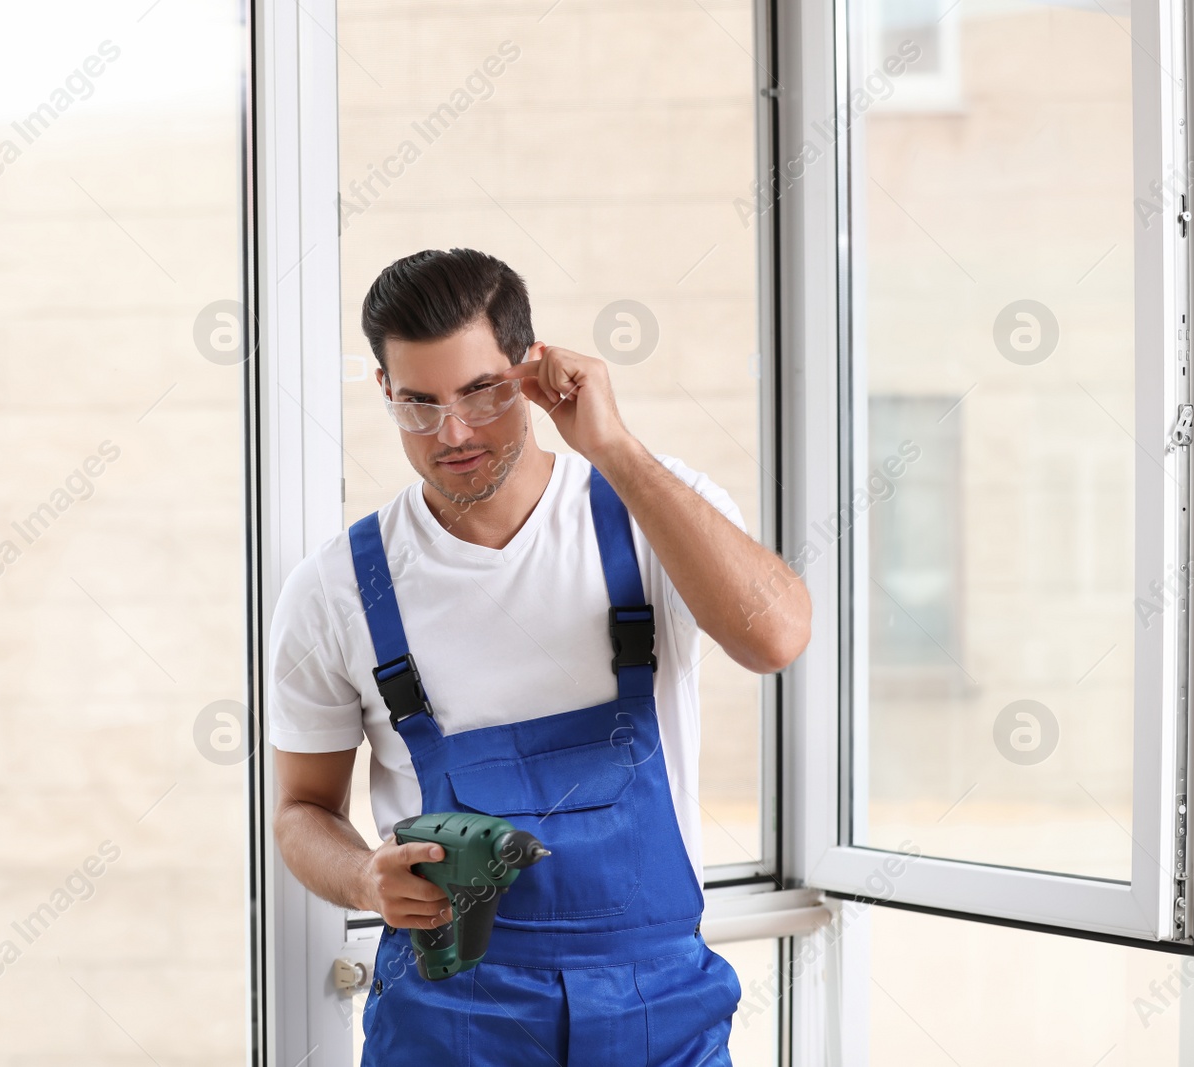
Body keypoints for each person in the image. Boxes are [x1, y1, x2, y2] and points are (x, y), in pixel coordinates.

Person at [268, 247, 810, 1065]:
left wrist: (616, 448)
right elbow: (300, 809)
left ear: (530, 372)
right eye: (417, 403)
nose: (451, 433)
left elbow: (775, 638)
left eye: (480, 394)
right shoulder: (336, 589)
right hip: (449, 1019)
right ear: (383, 390)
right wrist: (359, 878)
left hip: (657, 1013)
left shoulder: (648, 513)